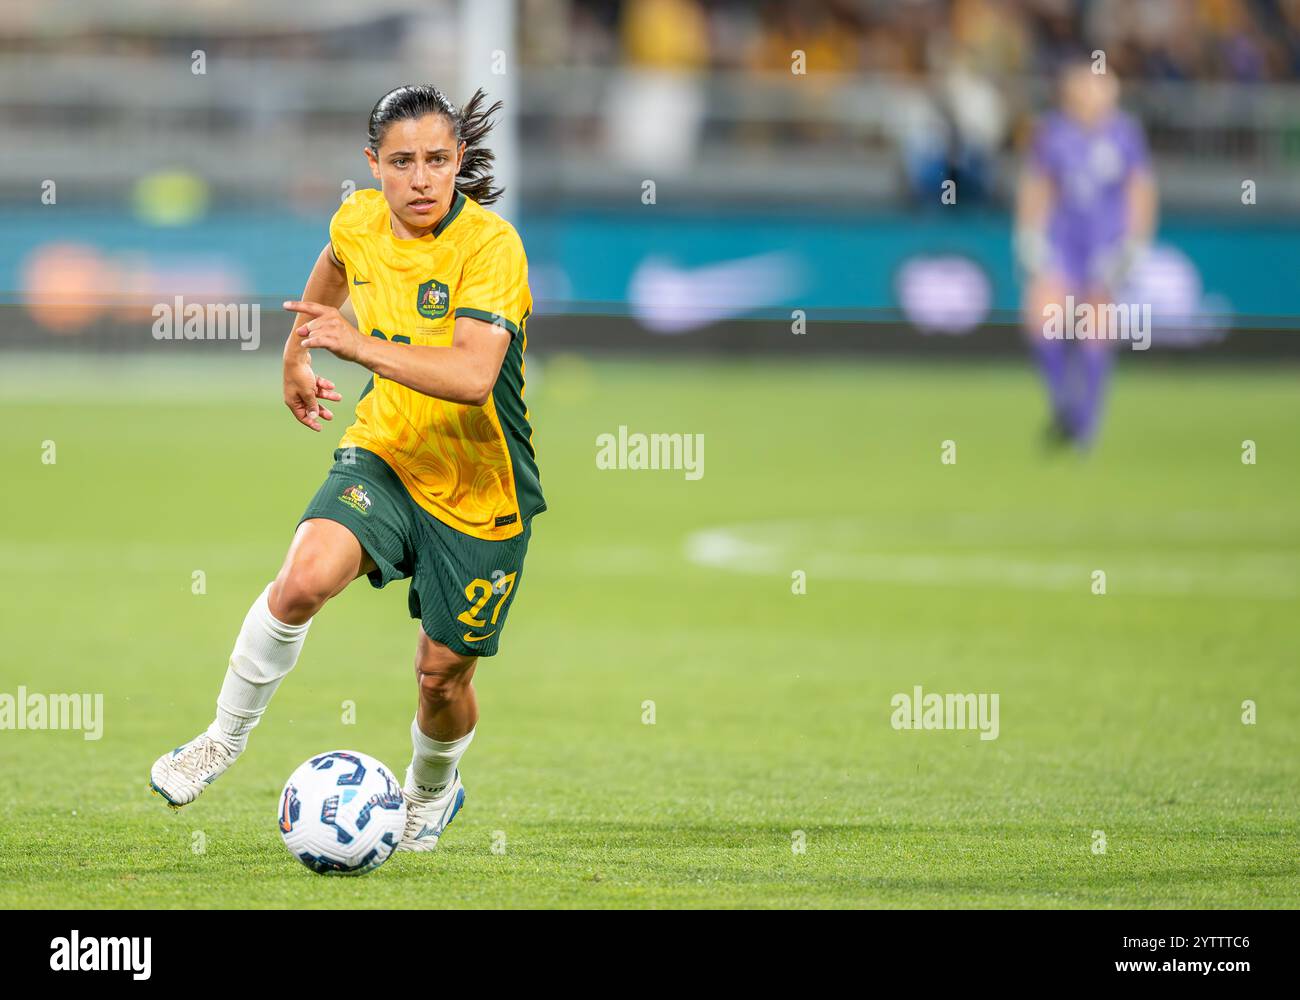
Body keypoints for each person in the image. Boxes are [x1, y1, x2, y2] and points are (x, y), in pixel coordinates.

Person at [150, 85, 544, 855]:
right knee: (301, 579)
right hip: (387, 450)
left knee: (441, 677)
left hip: (480, 488)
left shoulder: (491, 246)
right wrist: (294, 353)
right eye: (403, 162)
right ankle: (221, 739)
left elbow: (470, 376)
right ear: (374, 166)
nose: (423, 179)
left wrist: (355, 346)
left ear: (460, 160)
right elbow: (333, 265)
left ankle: (432, 789)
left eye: (437, 160)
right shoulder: (358, 219)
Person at [1015, 57, 1157, 448]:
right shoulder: (1053, 133)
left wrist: (1135, 243)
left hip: (1106, 241)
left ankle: (1087, 424)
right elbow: (1039, 186)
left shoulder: (1125, 134)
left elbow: (1140, 190)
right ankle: (1065, 405)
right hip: (1064, 239)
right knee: (1041, 319)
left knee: (1096, 327)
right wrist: (1028, 235)